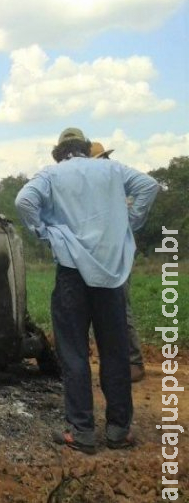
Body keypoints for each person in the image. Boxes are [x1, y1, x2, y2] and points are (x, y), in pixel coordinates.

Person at [15, 128, 158, 454]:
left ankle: (82, 432)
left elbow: (24, 200)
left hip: (72, 275)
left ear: (59, 152)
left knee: (75, 354)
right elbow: (148, 186)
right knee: (116, 353)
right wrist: (129, 222)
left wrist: (43, 231)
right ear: (83, 148)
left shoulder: (51, 174)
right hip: (110, 276)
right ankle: (118, 431)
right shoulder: (111, 169)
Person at [90, 142, 145, 382]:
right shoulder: (106, 186)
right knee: (104, 306)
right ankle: (119, 360)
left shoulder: (114, 188)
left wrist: (129, 225)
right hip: (105, 253)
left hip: (116, 253)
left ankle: (133, 362)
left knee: (120, 305)